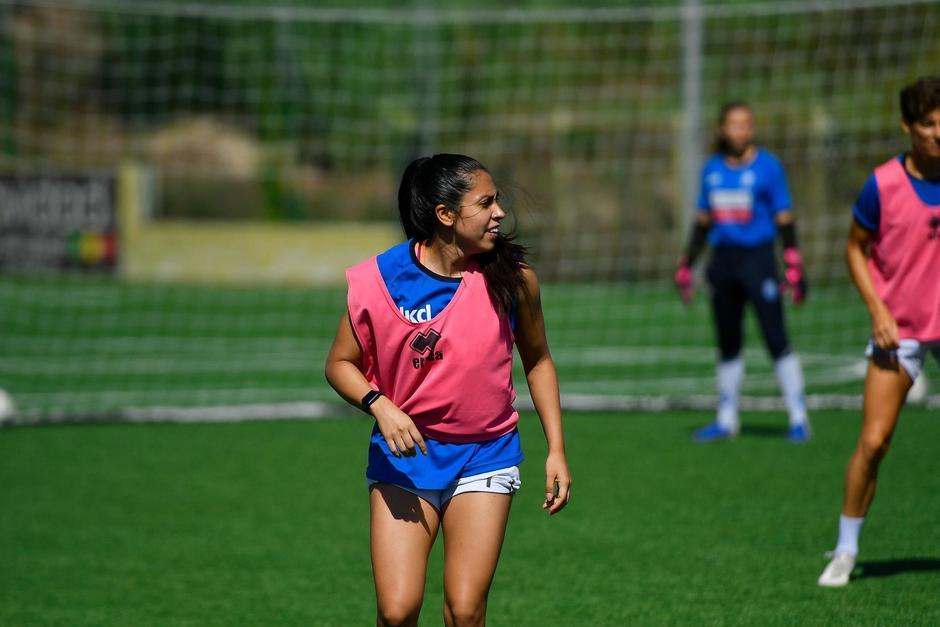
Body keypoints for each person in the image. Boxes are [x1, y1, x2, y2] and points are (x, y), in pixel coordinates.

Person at [324, 153, 572, 625]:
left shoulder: (514, 279)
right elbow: (339, 364)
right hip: (406, 457)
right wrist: (380, 405)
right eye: (486, 203)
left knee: (464, 609)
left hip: (486, 454)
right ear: (445, 214)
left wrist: (556, 449)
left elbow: (539, 360)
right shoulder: (381, 280)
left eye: (497, 201)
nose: (499, 212)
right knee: (397, 611)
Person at [817, 77, 940, 588]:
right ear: (907, 127)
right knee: (873, 443)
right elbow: (854, 247)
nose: (939, 133)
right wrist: (878, 309)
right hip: (900, 330)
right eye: (929, 124)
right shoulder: (883, 184)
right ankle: (846, 549)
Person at [675, 101, 812, 443]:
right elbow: (703, 221)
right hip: (723, 263)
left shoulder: (768, 167)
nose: (741, 131)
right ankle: (727, 418)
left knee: (775, 337)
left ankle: (798, 417)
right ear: (722, 129)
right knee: (728, 342)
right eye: (734, 124)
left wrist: (793, 261)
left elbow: (784, 218)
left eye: (746, 124)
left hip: (759, 260)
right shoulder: (711, 169)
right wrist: (687, 263)